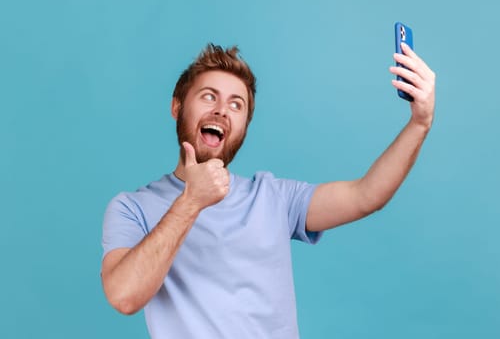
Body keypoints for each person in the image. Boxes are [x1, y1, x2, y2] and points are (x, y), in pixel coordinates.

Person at [101, 43, 435, 338]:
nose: (221, 110)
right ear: (177, 107)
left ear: (244, 126)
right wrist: (191, 201)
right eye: (208, 96)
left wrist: (419, 123)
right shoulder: (132, 208)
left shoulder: (273, 197)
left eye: (236, 105)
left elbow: (367, 196)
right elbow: (125, 296)